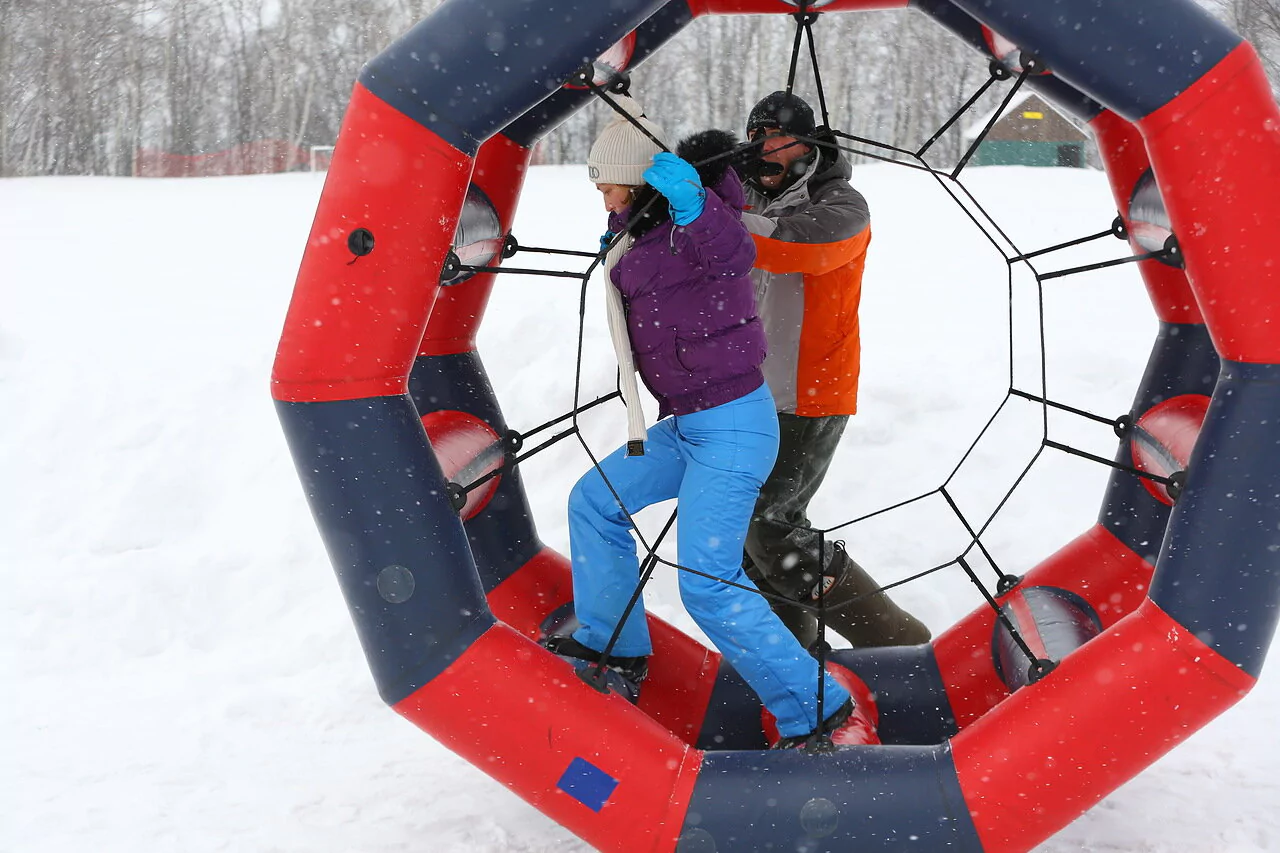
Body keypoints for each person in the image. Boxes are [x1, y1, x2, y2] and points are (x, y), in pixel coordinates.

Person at [549, 94, 858, 749]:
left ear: (636, 178)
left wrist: (695, 205)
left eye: (606, 180)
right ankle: (614, 649)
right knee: (594, 503)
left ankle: (817, 712)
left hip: (734, 427)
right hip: (686, 425)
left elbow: (733, 253)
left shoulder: (702, 224)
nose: (599, 191)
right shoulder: (640, 230)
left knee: (708, 585)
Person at [736, 90, 931, 650]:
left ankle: (902, 647)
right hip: (749, 395)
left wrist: (710, 220)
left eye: (775, 136)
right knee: (748, 540)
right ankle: (798, 665)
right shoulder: (745, 198)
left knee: (771, 529)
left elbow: (788, 247)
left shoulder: (842, 206)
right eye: (754, 137)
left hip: (812, 394)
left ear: (806, 143)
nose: (762, 149)